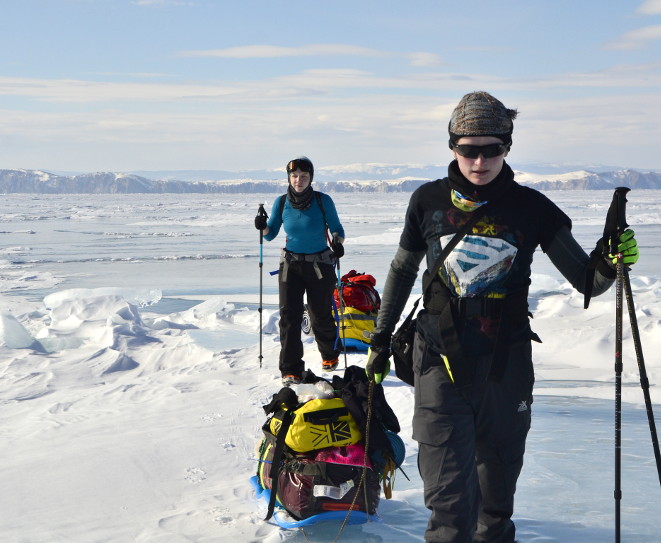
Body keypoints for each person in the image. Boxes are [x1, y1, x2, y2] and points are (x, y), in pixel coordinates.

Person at [366, 91, 639, 542]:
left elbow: (588, 281)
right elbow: (401, 270)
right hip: (438, 361)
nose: (479, 161)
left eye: (491, 149)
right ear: (452, 147)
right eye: (468, 150)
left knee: (493, 511)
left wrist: (611, 262)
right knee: (449, 510)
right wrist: (379, 340)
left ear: (507, 147)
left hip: (505, 365)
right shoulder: (427, 201)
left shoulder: (532, 208)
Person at [255, 156, 346, 386]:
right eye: (294, 176)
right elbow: (271, 233)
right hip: (291, 265)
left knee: (320, 313)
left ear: (310, 178)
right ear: (289, 177)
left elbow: (338, 230)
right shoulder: (282, 202)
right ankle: (291, 370)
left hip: (319, 266)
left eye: (304, 177)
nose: (298, 180)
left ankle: (329, 355)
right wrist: (262, 225)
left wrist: (338, 242)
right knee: (289, 317)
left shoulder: (323, 201)